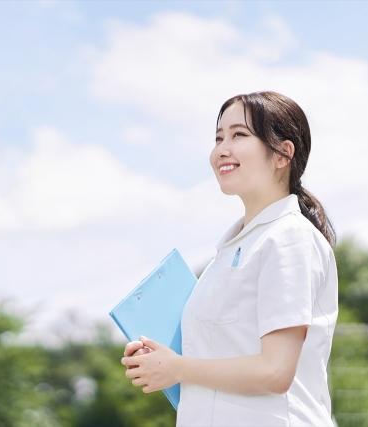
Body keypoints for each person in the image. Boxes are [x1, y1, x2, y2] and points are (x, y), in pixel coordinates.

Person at [120, 91, 339, 427]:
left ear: (283, 154)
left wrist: (177, 367)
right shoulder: (233, 249)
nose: (222, 148)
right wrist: (160, 361)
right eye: (219, 137)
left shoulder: (289, 237)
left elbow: (275, 371)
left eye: (239, 135)